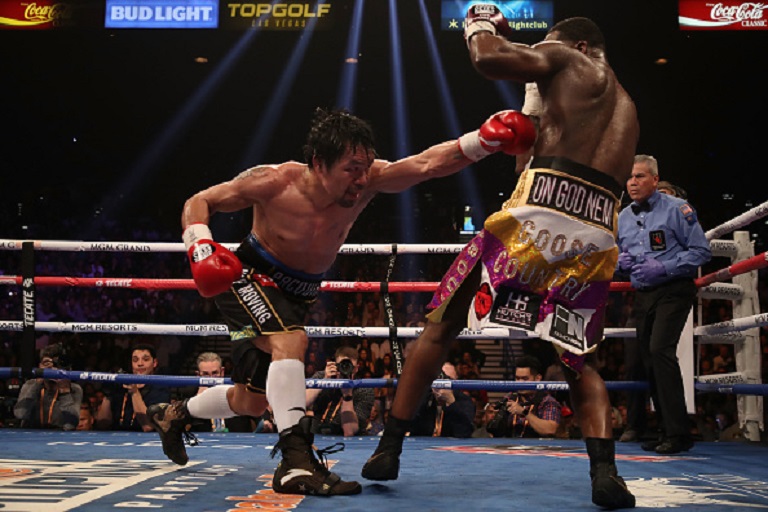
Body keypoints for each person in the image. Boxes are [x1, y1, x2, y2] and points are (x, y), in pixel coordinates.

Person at [147, 106, 536, 496]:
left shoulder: (367, 183)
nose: (362, 178)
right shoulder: (273, 181)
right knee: (291, 341)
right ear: (318, 163)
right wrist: (199, 245)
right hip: (250, 276)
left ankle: (175, 414)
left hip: (299, 292)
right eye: (351, 168)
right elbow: (200, 201)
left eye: (366, 166)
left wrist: (483, 143)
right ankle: (296, 462)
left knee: (251, 401)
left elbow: (427, 164)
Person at [362, 12, 640, 509]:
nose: (543, 58)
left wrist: (479, 23)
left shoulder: (572, 57)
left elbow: (489, 60)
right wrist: (534, 98)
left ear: (578, 44)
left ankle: (390, 447)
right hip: (596, 230)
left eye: (547, 50)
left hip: (538, 215)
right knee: (577, 360)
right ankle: (606, 476)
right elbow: (528, 155)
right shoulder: (625, 108)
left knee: (441, 326)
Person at [616, 154, 711, 454]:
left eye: (640, 176)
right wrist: (619, 263)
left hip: (674, 289)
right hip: (644, 293)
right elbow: (619, 258)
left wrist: (666, 267)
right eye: (630, 177)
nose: (633, 182)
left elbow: (701, 251)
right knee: (648, 358)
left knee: (660, 350)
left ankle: (679, 433)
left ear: (655, 180)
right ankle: (665, 430)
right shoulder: (624, 217)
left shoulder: (676, 209)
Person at [95, 344, 170, 431]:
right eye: (135, 360)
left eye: (145, 359)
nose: (140, 364)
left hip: (147, 440)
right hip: (117, 438)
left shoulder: (161, 388)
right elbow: (102, 424)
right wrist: (107, 395)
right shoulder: (121, 385)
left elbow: (148, 427)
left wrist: (135, 392)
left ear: (154, 363)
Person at [305, 346, 375, 436]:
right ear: (335, 365)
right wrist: (324, 382)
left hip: (347, 440)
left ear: (356, 368)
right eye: (342, 366)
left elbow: (349, 431)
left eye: (350, 367)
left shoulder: (364, 389)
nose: (345, 370)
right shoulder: (322, 376)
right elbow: (302, 403)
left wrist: (347, 396)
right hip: (316, 434)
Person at [485, 355, 561, 438]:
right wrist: (494, 417)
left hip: (537, 448)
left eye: (525, 379)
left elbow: (550, 430)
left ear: (537, 378)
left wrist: (524, 412)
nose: (520, 383)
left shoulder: (547, 401)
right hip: (511, 447)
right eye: (517, 378)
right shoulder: (510, 397)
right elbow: (494, 432)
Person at [14, 344, 83, 431]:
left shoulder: (74, 389)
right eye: (46, 363)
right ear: (40, 366)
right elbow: (20, 414)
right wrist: (37, 383)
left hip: (59, 438)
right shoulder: (30, 384)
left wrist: (65, 392)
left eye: (55, 364)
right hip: (30, 436)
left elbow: (71, 425)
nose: (51, 367)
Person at [190, 352, 255, 433]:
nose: (211, 379)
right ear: (198, 375)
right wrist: (198, 401)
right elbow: (186, 430)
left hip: (237, 440)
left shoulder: (236, 390)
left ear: (222, 372)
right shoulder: (190, 398)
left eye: (215, 373)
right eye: (205, 374)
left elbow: (258, 412)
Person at [409, 362, 475, 438]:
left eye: (448, 379)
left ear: (456, 380)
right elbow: (411, 428)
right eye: (439, 379)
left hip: (450, 447)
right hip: (422, 446)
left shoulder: (464, 401)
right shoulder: (424, 398)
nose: (443, 385)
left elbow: (463, 433)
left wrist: (451, 402)